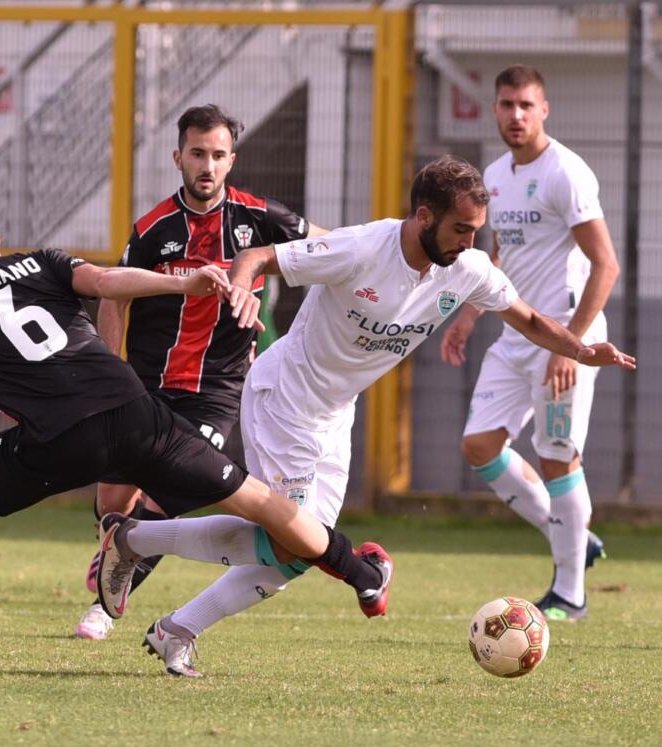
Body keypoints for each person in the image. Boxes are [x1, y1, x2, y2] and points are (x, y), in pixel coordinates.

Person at [96, 154, 634, 678]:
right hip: (286, 400)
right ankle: (139, 545)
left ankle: (170, 615)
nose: (471, 243)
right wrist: (240, 290)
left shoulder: (466, 269)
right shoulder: (361, 247)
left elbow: (529, 318)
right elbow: (257, 256)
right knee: (294, 540)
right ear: (424, 216)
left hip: (335, 413)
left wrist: (581, 349)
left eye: (476, 231)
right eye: (460, 230)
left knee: (295, 555)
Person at [0, 207, 392, 673]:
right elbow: (107, 282)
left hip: (61, 439)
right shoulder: (38, 262)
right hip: (138, 414)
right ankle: (362, 574)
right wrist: (184, 283)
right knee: (260, 501)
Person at [75, 104, 327, 641]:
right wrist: (108, 369)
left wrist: (375, 256)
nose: (207, 166)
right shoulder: (153, 229)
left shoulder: (260, 218)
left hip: (216, 391)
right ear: (178, 158)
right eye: (197, 154)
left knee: (169, 490)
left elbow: (332, 248)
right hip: (146, 385)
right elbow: (114, 296)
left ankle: (103, 607)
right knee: (113, 500)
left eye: (217, 155)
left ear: (232, 160)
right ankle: (115, 545)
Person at [440, 66, 620, 621]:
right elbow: (499, 256)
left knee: (557, 456)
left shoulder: (566, 172)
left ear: (544, 110)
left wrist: (572, 346)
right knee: (479, 446)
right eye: (506, 104)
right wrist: (469, 315)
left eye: (525, 105)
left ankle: (570, 594)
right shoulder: (494, 175)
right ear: (494, 110)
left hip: (565, 334)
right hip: (517, 334)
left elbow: (606, 265)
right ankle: (574, 537)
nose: (515, 115)